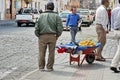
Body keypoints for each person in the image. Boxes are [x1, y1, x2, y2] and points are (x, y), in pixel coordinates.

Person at [35, 2, 63, 72]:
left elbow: (36, 28)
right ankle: (49, 67)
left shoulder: (40, 16)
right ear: (53, 8)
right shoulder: (57, 16)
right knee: (51, 52)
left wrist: (38, 35)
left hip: (42, 36)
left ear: (46, 7)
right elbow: (60, 27)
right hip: (52, 36)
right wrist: (58, 35)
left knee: (41, 52)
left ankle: (41, 67)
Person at [110, 0, 120, 73]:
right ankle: (113, 64)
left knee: (119, 48)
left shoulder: (114, 10)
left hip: (116, 31)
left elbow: (112, 21)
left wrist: (112, 29)